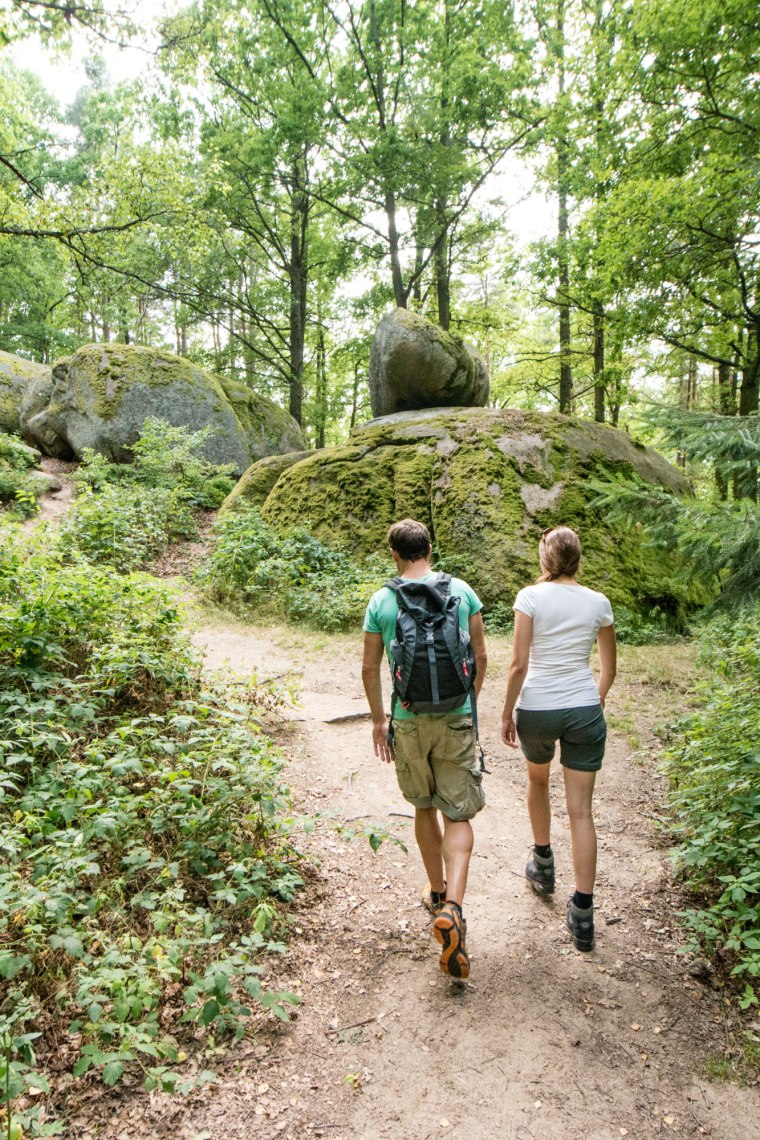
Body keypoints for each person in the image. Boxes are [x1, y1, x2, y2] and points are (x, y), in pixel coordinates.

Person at [362, 519, 487, 979]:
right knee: (458, 814)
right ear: (430, 549)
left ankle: (435, 892)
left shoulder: (382, 600)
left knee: (422, 806)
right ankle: (453, 906)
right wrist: (467, 705)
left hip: (409, 719)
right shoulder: (463, 591)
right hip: (455, 715)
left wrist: (380, 719)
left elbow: (370, 665)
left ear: (394, 554)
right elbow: (481, 655)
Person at [500, 526, 616, 952]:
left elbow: (518, 664)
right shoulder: (598, 602)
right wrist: (595, 699)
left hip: (538, 709)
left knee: (537, 780)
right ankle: (584, 914)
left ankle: (543, 863)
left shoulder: (530, 596)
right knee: (582, 812)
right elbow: (608, 668)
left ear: (546, 560)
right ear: (577, 559)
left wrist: (505, 712)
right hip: (584, 708)